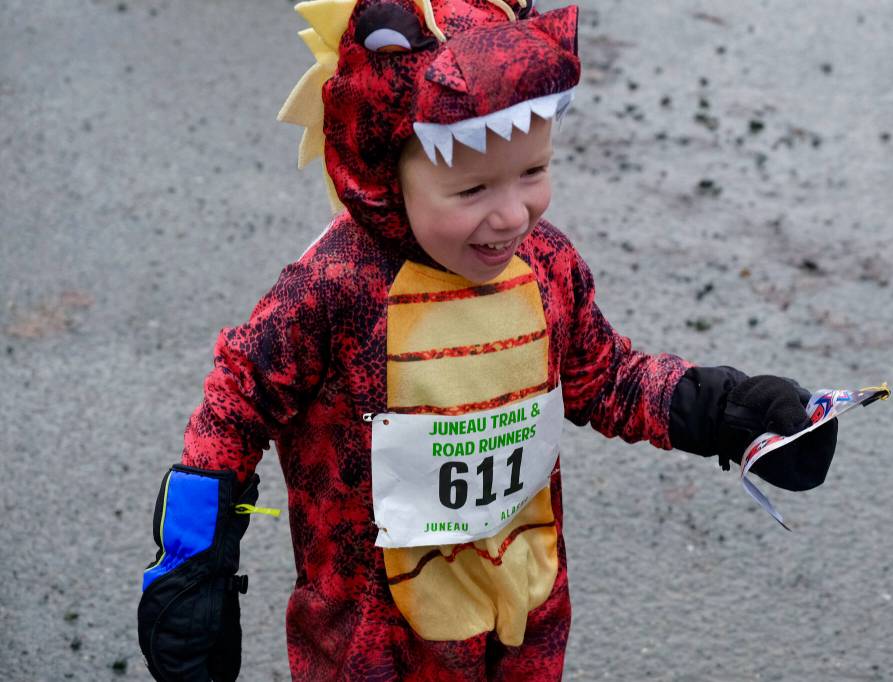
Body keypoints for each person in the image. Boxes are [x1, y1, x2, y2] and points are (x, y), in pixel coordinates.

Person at [137, 1, 838, 680]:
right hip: (372, 644)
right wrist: (194, 556)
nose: (511, 213)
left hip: (522, 617)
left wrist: (726, 412)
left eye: (533, 172)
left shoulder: (546, 266)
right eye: (471, 190)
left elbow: (607, 377)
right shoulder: (334, 288)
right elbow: (238, 399)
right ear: (386, 169)